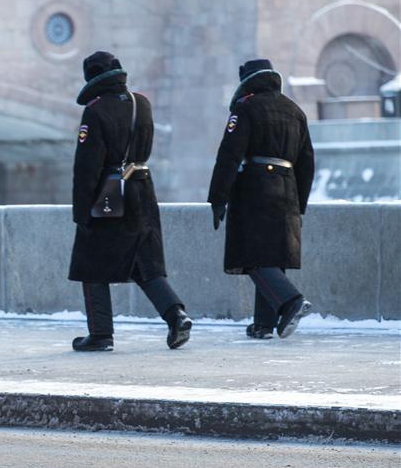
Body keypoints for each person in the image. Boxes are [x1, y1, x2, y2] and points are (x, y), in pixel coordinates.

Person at [69, 51, 192, 352]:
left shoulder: (96, 111)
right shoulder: (142, 103)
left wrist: (81, 211)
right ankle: (176, 315)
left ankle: (101, 334)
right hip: (143, 187)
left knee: (91, 260)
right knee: (143, 260)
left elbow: (87, 168)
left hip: (111, 189)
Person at [208, 59, 315, 339]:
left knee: (251, 252)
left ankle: (290, 301)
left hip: (255, 187)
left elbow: (229, 156)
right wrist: (299, 204)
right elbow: (307, 163)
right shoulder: (295, 111)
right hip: (288, 187)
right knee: (273, 254)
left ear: (247, 81)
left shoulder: (246, 107)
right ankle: (263, 325)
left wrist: (218, 198)